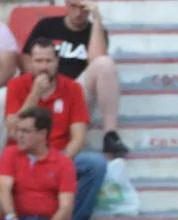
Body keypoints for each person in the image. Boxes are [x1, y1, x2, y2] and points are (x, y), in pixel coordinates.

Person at [5, 39, 107, 220]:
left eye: (48, 61)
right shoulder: (16, 85)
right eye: (38, 61)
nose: (43, 66)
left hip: (60, 154)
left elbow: (79, 136)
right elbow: (15, 132)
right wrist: (34, 94)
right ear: (30, 63)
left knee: (95, 164)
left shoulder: (71, 88)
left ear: (57, 62)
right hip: (23, 154)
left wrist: (59, 162)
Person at [21, 0, 128, 156]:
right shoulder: (47, 25)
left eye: (83, 9)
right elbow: (26, 58)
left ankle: (110, 135)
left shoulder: (96, 31)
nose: (78, 13)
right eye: (73, 7)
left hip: (75, 93)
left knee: (105, 64)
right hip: (44, 88)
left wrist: (97, 19)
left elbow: (97, 60)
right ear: (66, 4)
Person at [0, 107, 83, 220]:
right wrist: (10, 217)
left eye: (25, 131)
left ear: (42, 134)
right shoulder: (11, 153)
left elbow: (66, 207)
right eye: (18, 131)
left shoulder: (63, 163)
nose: (19, 136)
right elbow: (3, 187)